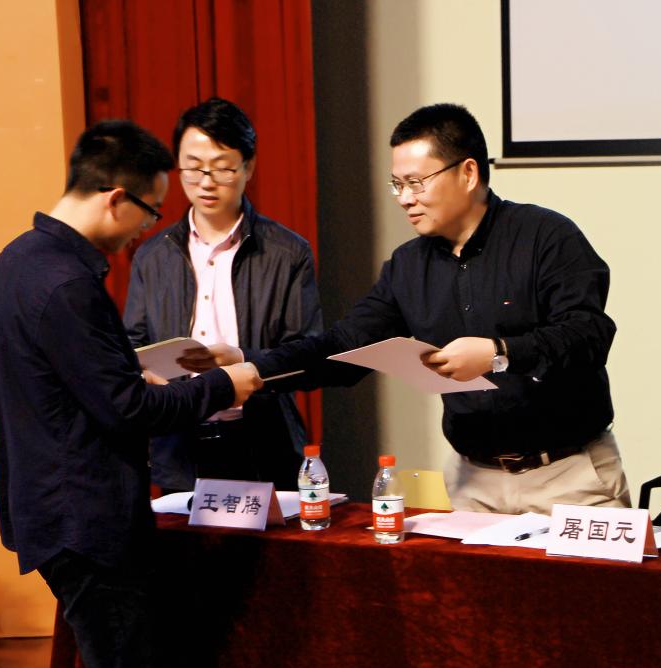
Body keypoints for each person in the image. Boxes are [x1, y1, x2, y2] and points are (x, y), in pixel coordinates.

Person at [215, 103, 630, 514]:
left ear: (468, 173)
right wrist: (252, 367)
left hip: (567, 475)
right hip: (474, 481)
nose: (404, 199)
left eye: (416, 183)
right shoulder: (408, 266)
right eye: (397, 184)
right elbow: (344, 347)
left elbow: (588, 334)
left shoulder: (546, 236)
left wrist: (498, 353)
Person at [0, 119, 262, 668]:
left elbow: (1, 382)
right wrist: (224, 384)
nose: (145, 229)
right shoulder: (68, 283)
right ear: (115, 199)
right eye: (149, 212)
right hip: (85, 518)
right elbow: (130, 411)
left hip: (47, 507)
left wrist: (116, 372)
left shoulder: (13, 262)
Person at [123, 98, 322, 492]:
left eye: (222, 168)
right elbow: (133, 345)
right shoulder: (152, 256)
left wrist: (244, 360)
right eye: (193, 167)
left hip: (262, 442)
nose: (206, 182)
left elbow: (308, 356)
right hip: (177, 447)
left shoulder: (287, 252)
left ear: (248, 167)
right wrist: (145, 372)